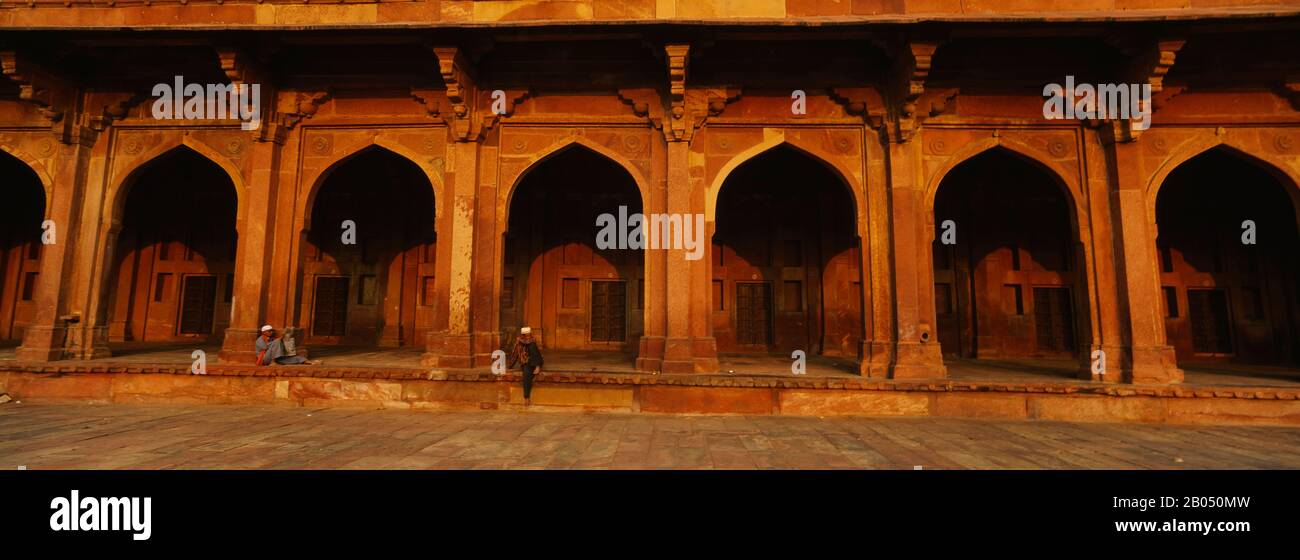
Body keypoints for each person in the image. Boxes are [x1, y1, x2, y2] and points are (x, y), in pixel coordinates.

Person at [507, 326, 544, 406]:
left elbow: (538, 353)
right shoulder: (519, 342)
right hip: (526, 362)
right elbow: (514, 354)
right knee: (526, 376)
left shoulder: (533, 341)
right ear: (523, 335)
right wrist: (510, 365)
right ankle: (527, 398)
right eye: (526, 335)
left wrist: (538, 364)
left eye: (528, 334)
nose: (527, 336)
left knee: (532, 346)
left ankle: (537, 366)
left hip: (536, 360)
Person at [256, 325, 320, 366]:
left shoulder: (272, 339)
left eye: (272, 331)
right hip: (265, 358)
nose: (271, 332)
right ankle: (273, 362)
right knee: (277, 341)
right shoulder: (260, 340)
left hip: (277, 357)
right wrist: (278, 340)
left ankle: (310, 362)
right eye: (269, 331)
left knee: (297, 358)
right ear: (264, 332)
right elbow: (265, 348)